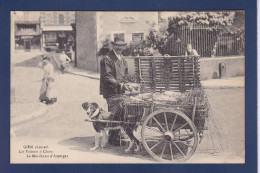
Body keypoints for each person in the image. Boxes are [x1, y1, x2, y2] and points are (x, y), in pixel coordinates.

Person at [100, 41, 132, 146]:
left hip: (121, 91)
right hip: (111, 91)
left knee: (122, 112)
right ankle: (113, 137)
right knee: (114, 112)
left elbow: (126, 75)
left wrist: (129, 84)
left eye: (122, 46)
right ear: (113, 46)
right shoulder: (107, 59)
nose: (120, 48)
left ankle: (118, 133)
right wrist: (120, 84)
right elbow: (107, 76)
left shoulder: (123, 60)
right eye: (118, 46)